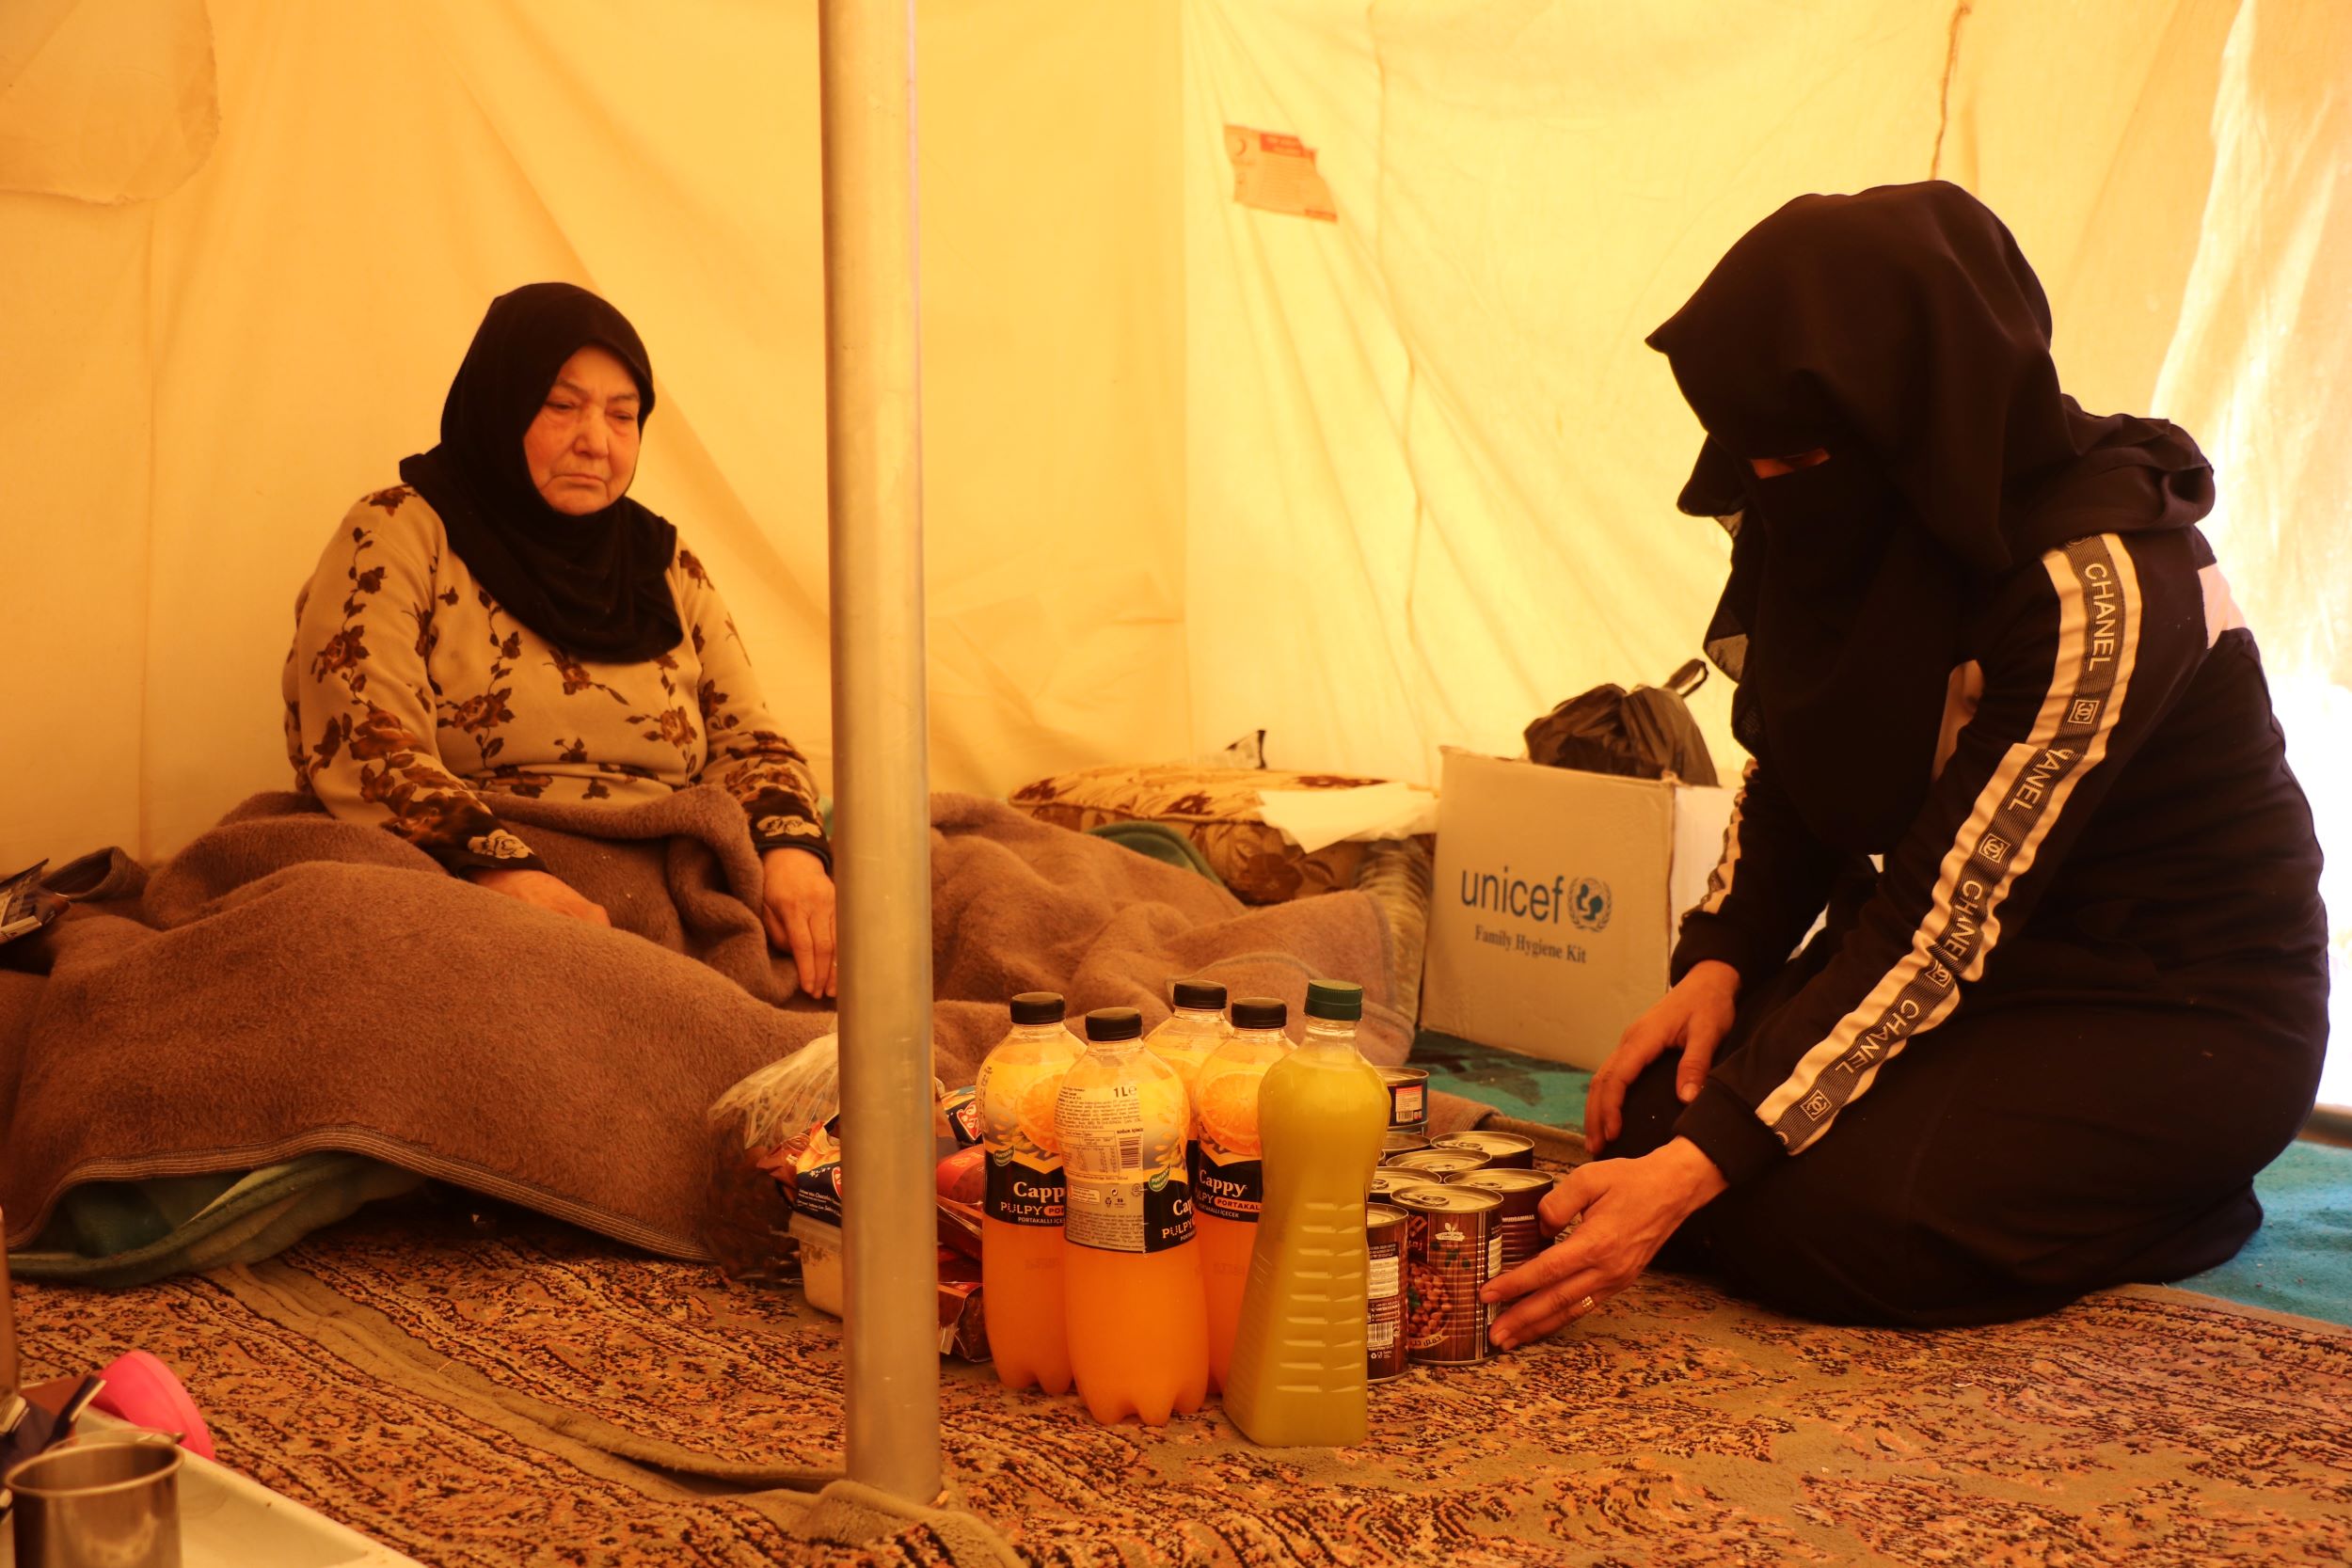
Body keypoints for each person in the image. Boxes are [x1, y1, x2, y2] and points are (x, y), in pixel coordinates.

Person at [1485, 182, 2328, 1338]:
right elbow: (1788, 756)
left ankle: (2180, 1199)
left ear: (1916, 409)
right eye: (1755, 461)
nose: (1775, 492)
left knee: (1829, 1226)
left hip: (2168, 1003)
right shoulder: (1834, 512)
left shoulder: (2101, 583)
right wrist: (1719, 960)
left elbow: (1944, 921)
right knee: (1645, 1120)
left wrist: (1700, 1169)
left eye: (1802, 457)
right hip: (1978, 969)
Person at [283, 282, 838, 998]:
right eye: (561, 405)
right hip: (471, 872)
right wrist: (506, 871)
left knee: (936, 889)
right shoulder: (399, 532)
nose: (596, 441)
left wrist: (792, 854)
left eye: (622, 415)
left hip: (667, 876)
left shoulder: (662, 564)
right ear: (500, 402)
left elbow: (752, 744)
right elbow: (367, 743)